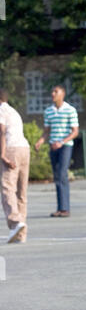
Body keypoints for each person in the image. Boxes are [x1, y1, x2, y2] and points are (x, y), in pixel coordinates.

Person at [35, 85, 79, 217]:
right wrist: (40, 141)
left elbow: (75, 132)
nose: (53, 94)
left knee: (62, 174)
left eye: (56, 91)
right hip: (52, 146)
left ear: (63, 94)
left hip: (65, 146)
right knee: (57, 177)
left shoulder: (70, 110)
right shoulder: (48, 111)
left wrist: (61, 142)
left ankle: (65, 208)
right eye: (52, 92)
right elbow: (46, 131)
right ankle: (60, 208)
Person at [0, 89, 30, 243]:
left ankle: (15, 222)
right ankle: (20, 234)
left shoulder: (1, 111)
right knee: (21, 192)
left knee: (7, 187)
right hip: (25, 148)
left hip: (11, 148)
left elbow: (2, 132)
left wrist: (2, 154)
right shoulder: (14, 111)